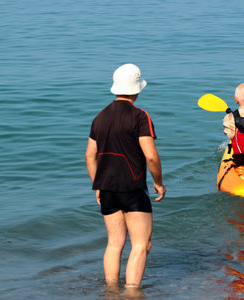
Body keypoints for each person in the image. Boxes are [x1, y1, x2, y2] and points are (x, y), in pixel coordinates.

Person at [85, 63, 166, 292]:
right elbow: (151, 156)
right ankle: (131, 292)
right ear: (136, 89)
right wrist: (158, 182)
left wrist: (97, 185)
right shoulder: (140, 116)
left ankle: (111, 291)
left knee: (114, 243)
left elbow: (89, 155)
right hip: (132, 187)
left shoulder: (99, 117)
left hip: (107, 188)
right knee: (141, 244)